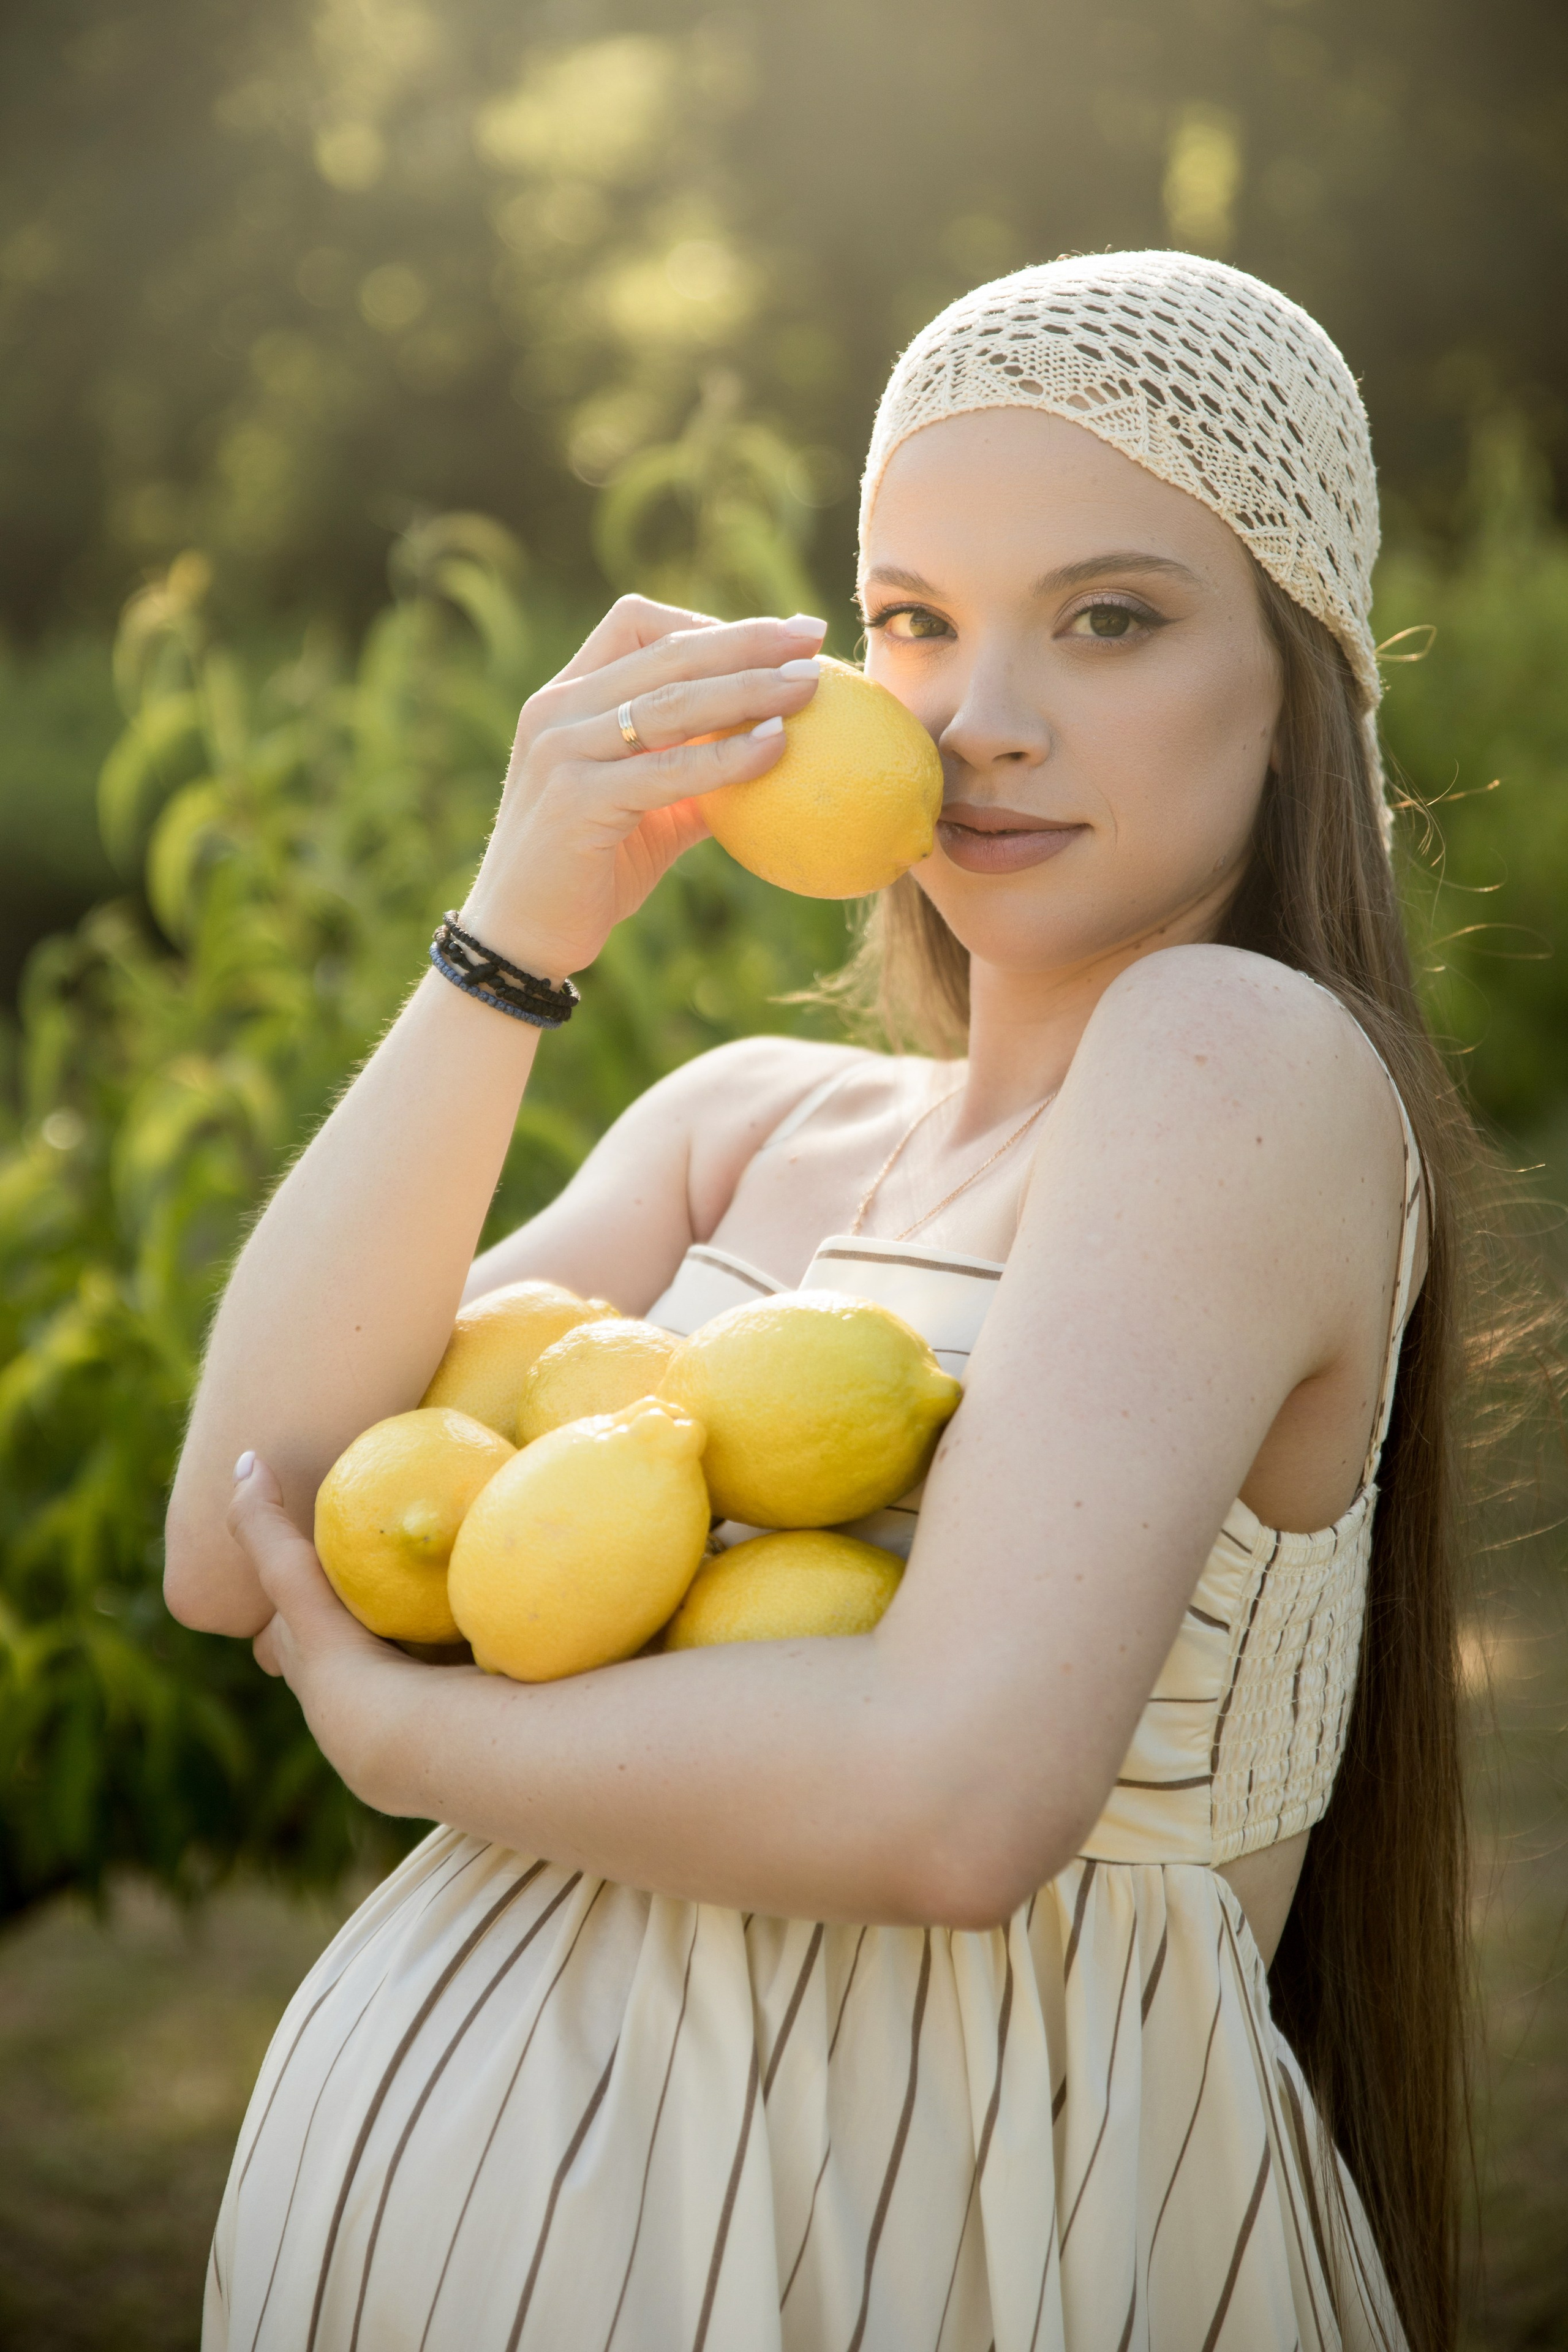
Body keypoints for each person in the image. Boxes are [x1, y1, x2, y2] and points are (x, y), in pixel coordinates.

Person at [167, 253, 1472, 2351]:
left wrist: (404, 1731)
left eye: (1110, 619)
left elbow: (952, 1800)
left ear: (1297, 672)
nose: (983, 723)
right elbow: (250, 1521)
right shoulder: (752, 1126)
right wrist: (517, 921)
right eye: (914, 624)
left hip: (912, 2261)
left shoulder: (1239, 1063)